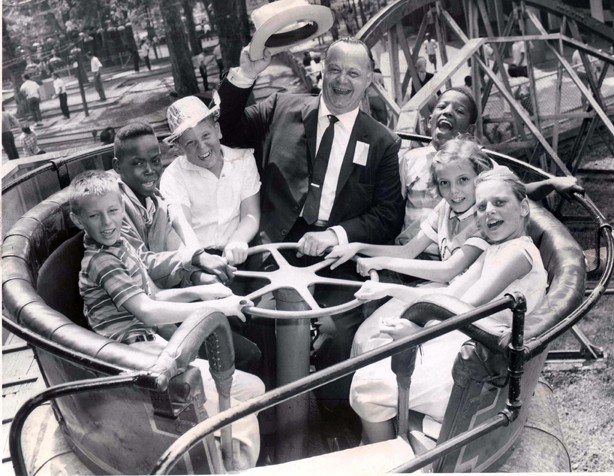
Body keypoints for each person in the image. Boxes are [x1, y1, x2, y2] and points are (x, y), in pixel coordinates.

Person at [217, 37, 404, 403]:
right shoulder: (281, 108)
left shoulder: (382, 142)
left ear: (369, 79)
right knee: (260, 319)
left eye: (353, 73)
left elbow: (388, 216)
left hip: (337, 255)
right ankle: (268, 419)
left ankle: (332, 420)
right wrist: (245, 74)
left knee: (336, 333)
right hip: (278, 243)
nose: (341, 81)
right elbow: (228, 128)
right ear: (321, 71)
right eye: (334, 69)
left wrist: (337, 234)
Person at [68, 170, 263, 470]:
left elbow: (155, 297)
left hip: (154, 345)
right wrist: (220, 308)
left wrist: (204, 293)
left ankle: (223, 457)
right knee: (243, 423)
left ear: (122, 207)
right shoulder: (101, 261)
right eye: (95, 216)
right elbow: (147, 311)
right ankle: (231, 466)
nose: (107, 223)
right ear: (79, 220)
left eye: (113, 211)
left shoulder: (121, 246)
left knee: (252, 389)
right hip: (135, 360)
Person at [349, 167, 548, 444]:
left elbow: (461, 309)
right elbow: (449, 297)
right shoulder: (496, 249)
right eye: (481, 207)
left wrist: (415, 332)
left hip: (489, 373)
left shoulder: (518, 254)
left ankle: (386, 459)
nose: (489, 211)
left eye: (500, 203)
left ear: (524, 207)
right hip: (473, 348)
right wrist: (388, 288)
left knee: (364, 389)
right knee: (372, 363)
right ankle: (380, 450)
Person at [112, 122, 261, 373]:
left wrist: (201, 278)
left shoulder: (154, 199)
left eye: (155, 161)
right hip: (142, 322)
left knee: (249, 326)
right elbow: (141, 262)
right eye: (138, 163)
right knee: (246, 354)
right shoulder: (114, 207)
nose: (150, 171)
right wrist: (198, 259)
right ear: (118, 167)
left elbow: (173, 247)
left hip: (165, 299)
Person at [395, 87, 582, 246]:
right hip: (408, 250)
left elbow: (517, 191)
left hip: (451, 255)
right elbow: (391, 204)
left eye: (459, 111)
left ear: (469, 130)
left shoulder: (477, 163)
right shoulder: (411, 160)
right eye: (442, 106)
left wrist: (550, 183)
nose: (448, 111)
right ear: (429, 121)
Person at [328, 138, 492, 277]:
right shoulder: (445, 207)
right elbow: (408, 252)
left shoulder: (487, 218)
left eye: (463, 180)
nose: (453, 191)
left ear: (481, 177)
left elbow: (449, 270)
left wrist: (383, 262)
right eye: (444, 183)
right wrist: (358, 247)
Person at [161, 96, 261, 268]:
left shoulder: (243, 159)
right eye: (190, 142)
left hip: (239, 246)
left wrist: (238, 241)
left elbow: (251, 214)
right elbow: (181, 223)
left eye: (205, 135)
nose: (202, 147)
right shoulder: (173, 175)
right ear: (179, 148)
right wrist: (199, 257)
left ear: (218, 130)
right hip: (197, 254)